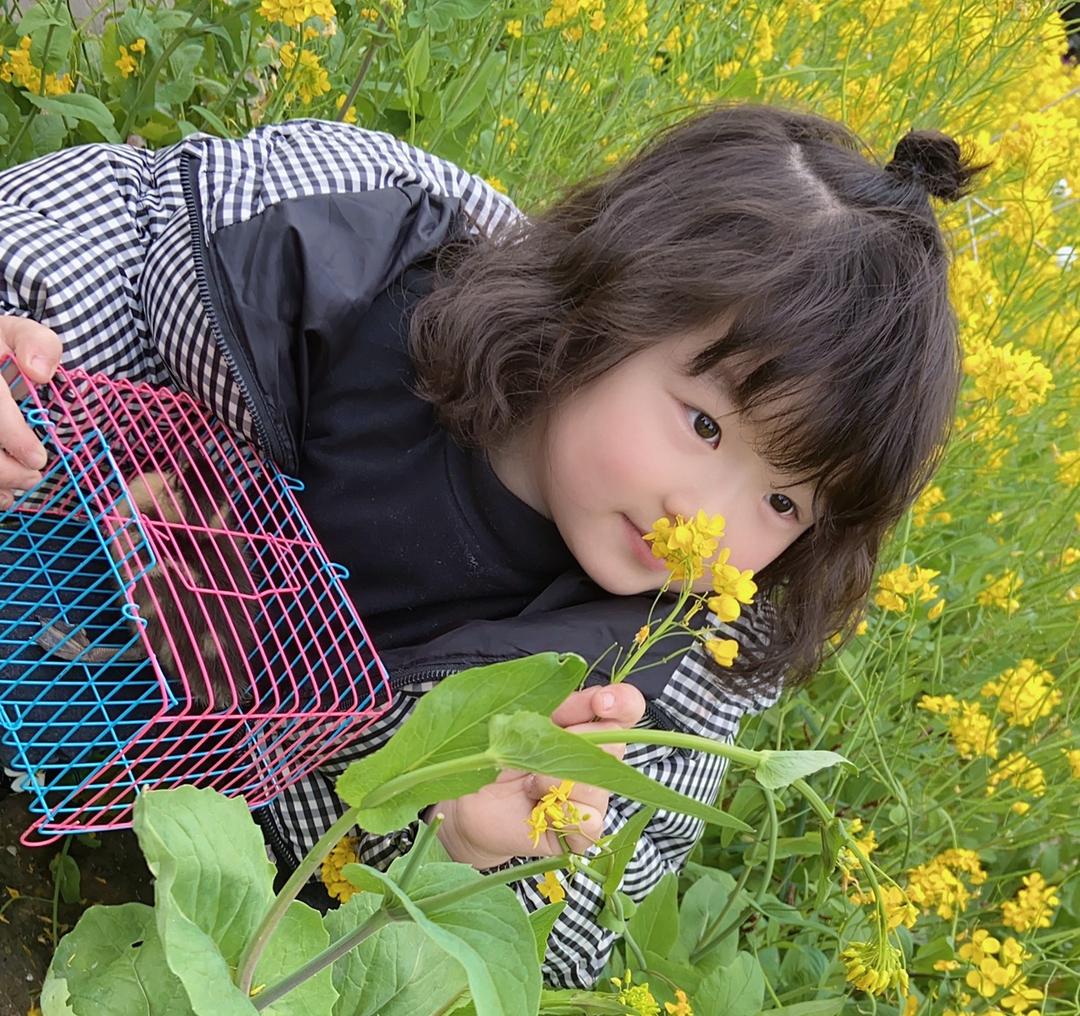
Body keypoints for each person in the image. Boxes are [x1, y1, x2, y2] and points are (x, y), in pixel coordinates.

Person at [0, 103, 984, 988]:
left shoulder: (659, 678)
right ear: (611, 302)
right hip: (43, 564)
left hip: (150, 818)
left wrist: (475, 853)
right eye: (704, 425)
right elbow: (128, 228)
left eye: (783, 501)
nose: (706, 529)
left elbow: (582, 927)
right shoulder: (376, 254)